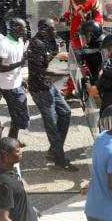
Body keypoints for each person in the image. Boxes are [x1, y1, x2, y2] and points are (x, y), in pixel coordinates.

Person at [28, 18, 78, 171]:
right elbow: (41, 70)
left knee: (65, 112)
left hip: (48, 85)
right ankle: (60, 159)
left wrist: (57, 54)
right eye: (51, 28)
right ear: (43, 29)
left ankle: (54, 150)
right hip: (39, 88)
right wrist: (65, 73)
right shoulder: (36, 44)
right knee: (51, 124)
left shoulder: (50, 40)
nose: (55, 31)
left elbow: (50, 56)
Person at [57, 0, 103, 97]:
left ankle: (90, 88)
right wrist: (61, 18)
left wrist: (87, 24)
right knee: (73, 63)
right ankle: (71, 87)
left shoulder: (93, 2)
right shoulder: (73, 0)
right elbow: (70, 14)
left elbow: (99, 20)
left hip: (87, 38)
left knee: (87, 64)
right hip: (74, 37)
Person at [0, 18, 29, 140]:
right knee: (20, 115)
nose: (25, 30)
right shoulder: (4, 44)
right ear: (14, 28)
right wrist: (20, 63)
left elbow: (16, 64)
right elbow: (0, 66)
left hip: (15, 83)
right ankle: (9, 141)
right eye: (23, 27)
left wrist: (21, 80)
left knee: (17, 115)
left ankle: (12, 139)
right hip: (8, 86)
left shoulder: (19, 41)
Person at [0, 137, 39, 221]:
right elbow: (3, 218)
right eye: (17, 151)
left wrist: (30, 210)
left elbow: (17, 197)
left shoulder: (10, 171)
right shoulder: (4, 183)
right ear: (6, 155)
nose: (21, 152)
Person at [77, 20, 104, 84]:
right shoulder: (99, 42)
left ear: (91, 35)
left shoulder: (99, 47)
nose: (83, 40)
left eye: (85, 37)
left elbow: (86, 53)